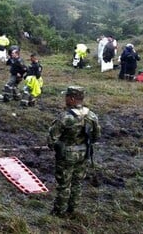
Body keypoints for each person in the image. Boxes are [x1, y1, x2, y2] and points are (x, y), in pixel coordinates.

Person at [48, 86, 101, 217]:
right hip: (84, 154)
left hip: (66, 155)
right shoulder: (91, 116)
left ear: (71, 99)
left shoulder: (65, 117)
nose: (65, 99)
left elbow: (52, 139)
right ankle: (72, 209)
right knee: (77, 183)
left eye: (66, 96)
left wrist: (57, 147)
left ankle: (59, 211)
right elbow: (96, 137)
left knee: (64, 184)